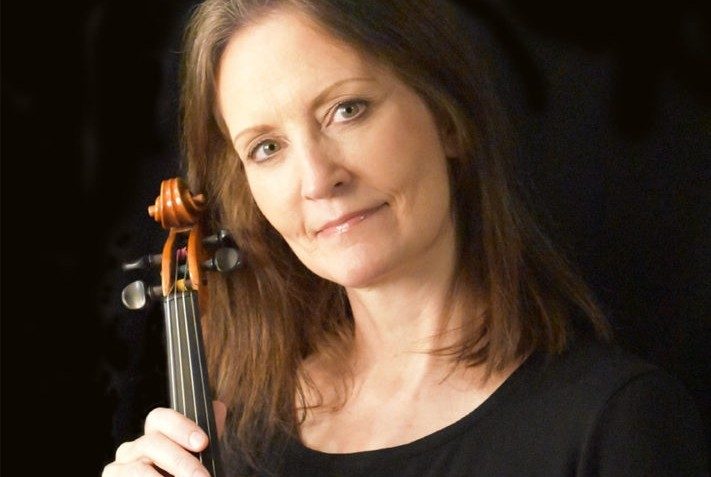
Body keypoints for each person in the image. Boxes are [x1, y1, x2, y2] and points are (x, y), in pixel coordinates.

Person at [102, 0, 708, 475]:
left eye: (347, 109)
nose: (317, 179)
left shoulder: (616, 423)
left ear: (445, 117)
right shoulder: (236, 440)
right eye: (267, 148)